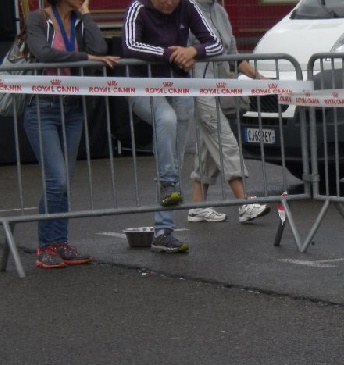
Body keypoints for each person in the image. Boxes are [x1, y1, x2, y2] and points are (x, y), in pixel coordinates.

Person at [23, 0, 118, 269]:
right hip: (42, 107)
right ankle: (46, 247)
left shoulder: (78, 21)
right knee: (57, 180)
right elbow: (44, 54)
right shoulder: (38, 18)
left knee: (65, 180)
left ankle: (59, 242)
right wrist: (85, 58)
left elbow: (100, 49)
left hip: (73, 108)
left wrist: (86, 15)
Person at [122, 0, 223, 253]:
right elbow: (130, 45)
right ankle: (169, 183)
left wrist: (193, 52)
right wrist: (171, 54)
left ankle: (164, 231)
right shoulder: (138, 8)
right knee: (166, 118)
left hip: (179, 87)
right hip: (143, 88)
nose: (169, 3)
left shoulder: (187, 6)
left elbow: (216, 42)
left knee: (176, 154)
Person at [187, 0, 270, 225]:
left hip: (218, 85)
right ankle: (244, 203)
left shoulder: (220, 12)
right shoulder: (188, 8)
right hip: (197, 86)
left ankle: (196, 206)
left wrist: (257, 77)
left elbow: (232, 54)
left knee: (208, 146)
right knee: (224, 140)